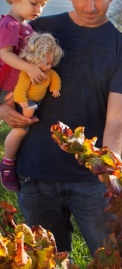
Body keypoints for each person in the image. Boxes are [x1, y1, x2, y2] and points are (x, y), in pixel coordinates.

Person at [0, 0, 122, 259]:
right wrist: (1, 108)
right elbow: (5, 73)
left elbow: (117, 121)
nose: (90, 6)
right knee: (49, 263)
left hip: (90, 182)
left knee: (112, 262)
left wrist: (109, 162)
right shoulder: (35, 31)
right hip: (34, 175)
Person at [0, 0, 54, 191]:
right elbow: (5, 53)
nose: (39, 10)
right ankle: (7, 164)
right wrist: (30, 69)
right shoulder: (9, 25)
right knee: (21, 128)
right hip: (7, 89)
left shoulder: (27, 28)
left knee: (28, 124)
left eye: (43, 5)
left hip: (21, 88)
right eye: (34, 3)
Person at [2, 33, 63, 192]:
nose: (48, 67)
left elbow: (55, 78)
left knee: (26, 121)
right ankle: (7, 162)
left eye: (50, 63)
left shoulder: (49, 73)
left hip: (37, 102)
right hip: (26, 101)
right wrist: (22, 102)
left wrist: (54, 89)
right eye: (45, 63)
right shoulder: (27, 74)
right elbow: (20, 90)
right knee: (21, 129)